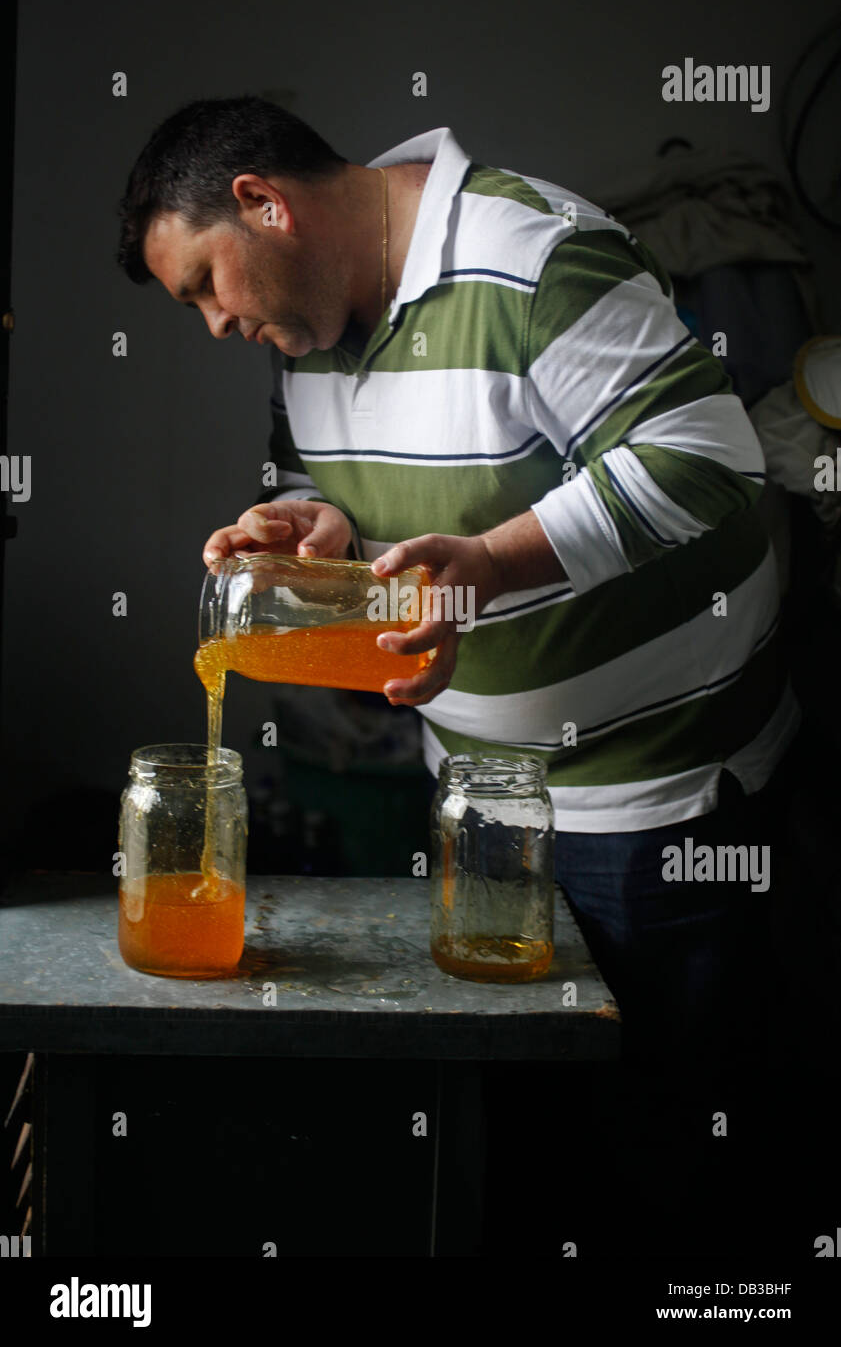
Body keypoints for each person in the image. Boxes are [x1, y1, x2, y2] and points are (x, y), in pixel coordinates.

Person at [117, 96, 799, 1065]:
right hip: (476, 799)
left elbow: (706, 455)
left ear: (263, 202)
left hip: (656, 800)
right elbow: (324, 484)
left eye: (202, 286)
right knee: (521, 1142)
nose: (218, 323)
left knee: (675, 1125)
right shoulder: (303, 332)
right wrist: (319, 526)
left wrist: (492, 564)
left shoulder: (531, 253)